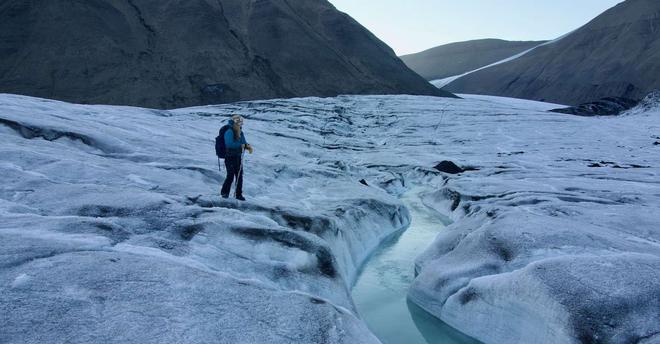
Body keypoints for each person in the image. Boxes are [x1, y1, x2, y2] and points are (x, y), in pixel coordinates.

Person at [220, 115, 253, 200]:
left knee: (239, 176)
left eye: (241, 122)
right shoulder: (229, 132)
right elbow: (229, 144)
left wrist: (247, 146)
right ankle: (224, 193)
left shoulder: (240, 132)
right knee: (230, 175)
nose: (241, 124)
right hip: (229, 157)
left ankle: (238, 195)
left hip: (238, 157)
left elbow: (243, 142)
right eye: (239, 122)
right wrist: (241, 145)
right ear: (235, 122)